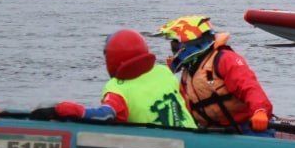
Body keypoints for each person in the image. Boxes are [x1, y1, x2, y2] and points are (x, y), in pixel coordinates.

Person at [53, 30, 196, 128]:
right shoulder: (164, 72)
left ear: (112, 58)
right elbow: (185, 103)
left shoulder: (117, 89)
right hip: (192, 139)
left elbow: (105, 116)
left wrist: (63, 109)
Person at [157, 15, 273, 134]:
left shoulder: (225, 59)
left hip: (247, 128)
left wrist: (260, 110)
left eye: (175, 45)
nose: (174, 49)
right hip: (212, 133)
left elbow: (248, 86)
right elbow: (183, 106)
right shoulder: (188, 72)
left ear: (191, 42)